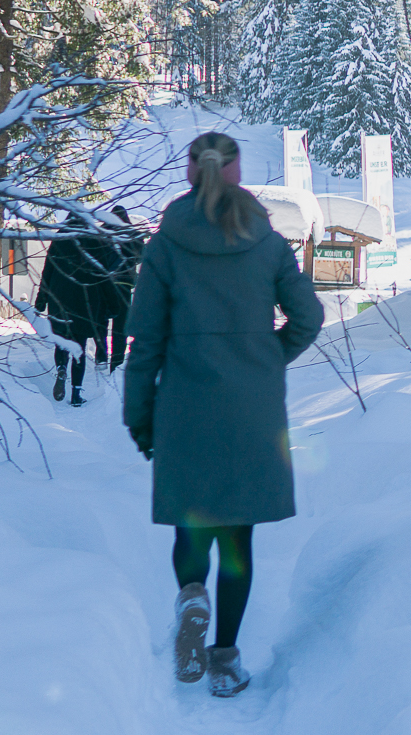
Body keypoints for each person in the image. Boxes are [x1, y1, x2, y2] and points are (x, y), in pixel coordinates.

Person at [122, 132, 323, 697]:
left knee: (193, 524)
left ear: (190, 171)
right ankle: (225, 661)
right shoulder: (268, 242)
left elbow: (145, 340)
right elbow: (308, 317)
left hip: (183, 405)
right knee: (238, 538)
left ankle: (192, 596)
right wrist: (266, 357)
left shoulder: (165, 246)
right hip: (252, 409)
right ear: (236, 171)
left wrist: (139, 416)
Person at [34, 215, 122, 406]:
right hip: (85, 302)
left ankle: (61, 368)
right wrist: (114, 303)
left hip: (59, 300)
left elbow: (47, 272)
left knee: (61, 342)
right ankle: (76, 394)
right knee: (79, 347)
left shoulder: (59, 239)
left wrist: (40, 302)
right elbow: (104, 276)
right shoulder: (94, 240)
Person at [92, 203, 145, 371]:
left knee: (101, 320)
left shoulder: (101, 232)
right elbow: (141, 256)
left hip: (103, 283)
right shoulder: (134, 234)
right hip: (124, 284)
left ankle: (101, 355)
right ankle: (117, 361)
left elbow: (93, 256)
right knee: (121, 325)